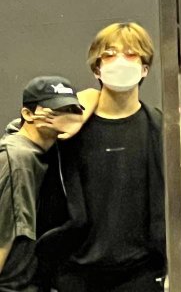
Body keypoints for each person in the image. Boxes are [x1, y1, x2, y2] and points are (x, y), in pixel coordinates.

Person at [36, 22, 166, 292]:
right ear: (96, 68)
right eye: (110, 54)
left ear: (145, 68)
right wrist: (75, 106)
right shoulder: (67, 128)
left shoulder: (161, 127)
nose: (120, 61)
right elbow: (21, 137)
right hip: (75, 273)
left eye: (131, 54)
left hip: (140, 273)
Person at [0, 76, 84, 292]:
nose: (64, 116)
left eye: (70, 109)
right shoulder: (18, 157)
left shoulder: (46, 150)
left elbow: (94, 97)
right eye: (54, 110)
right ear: (28, 114)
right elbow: (5, 235)